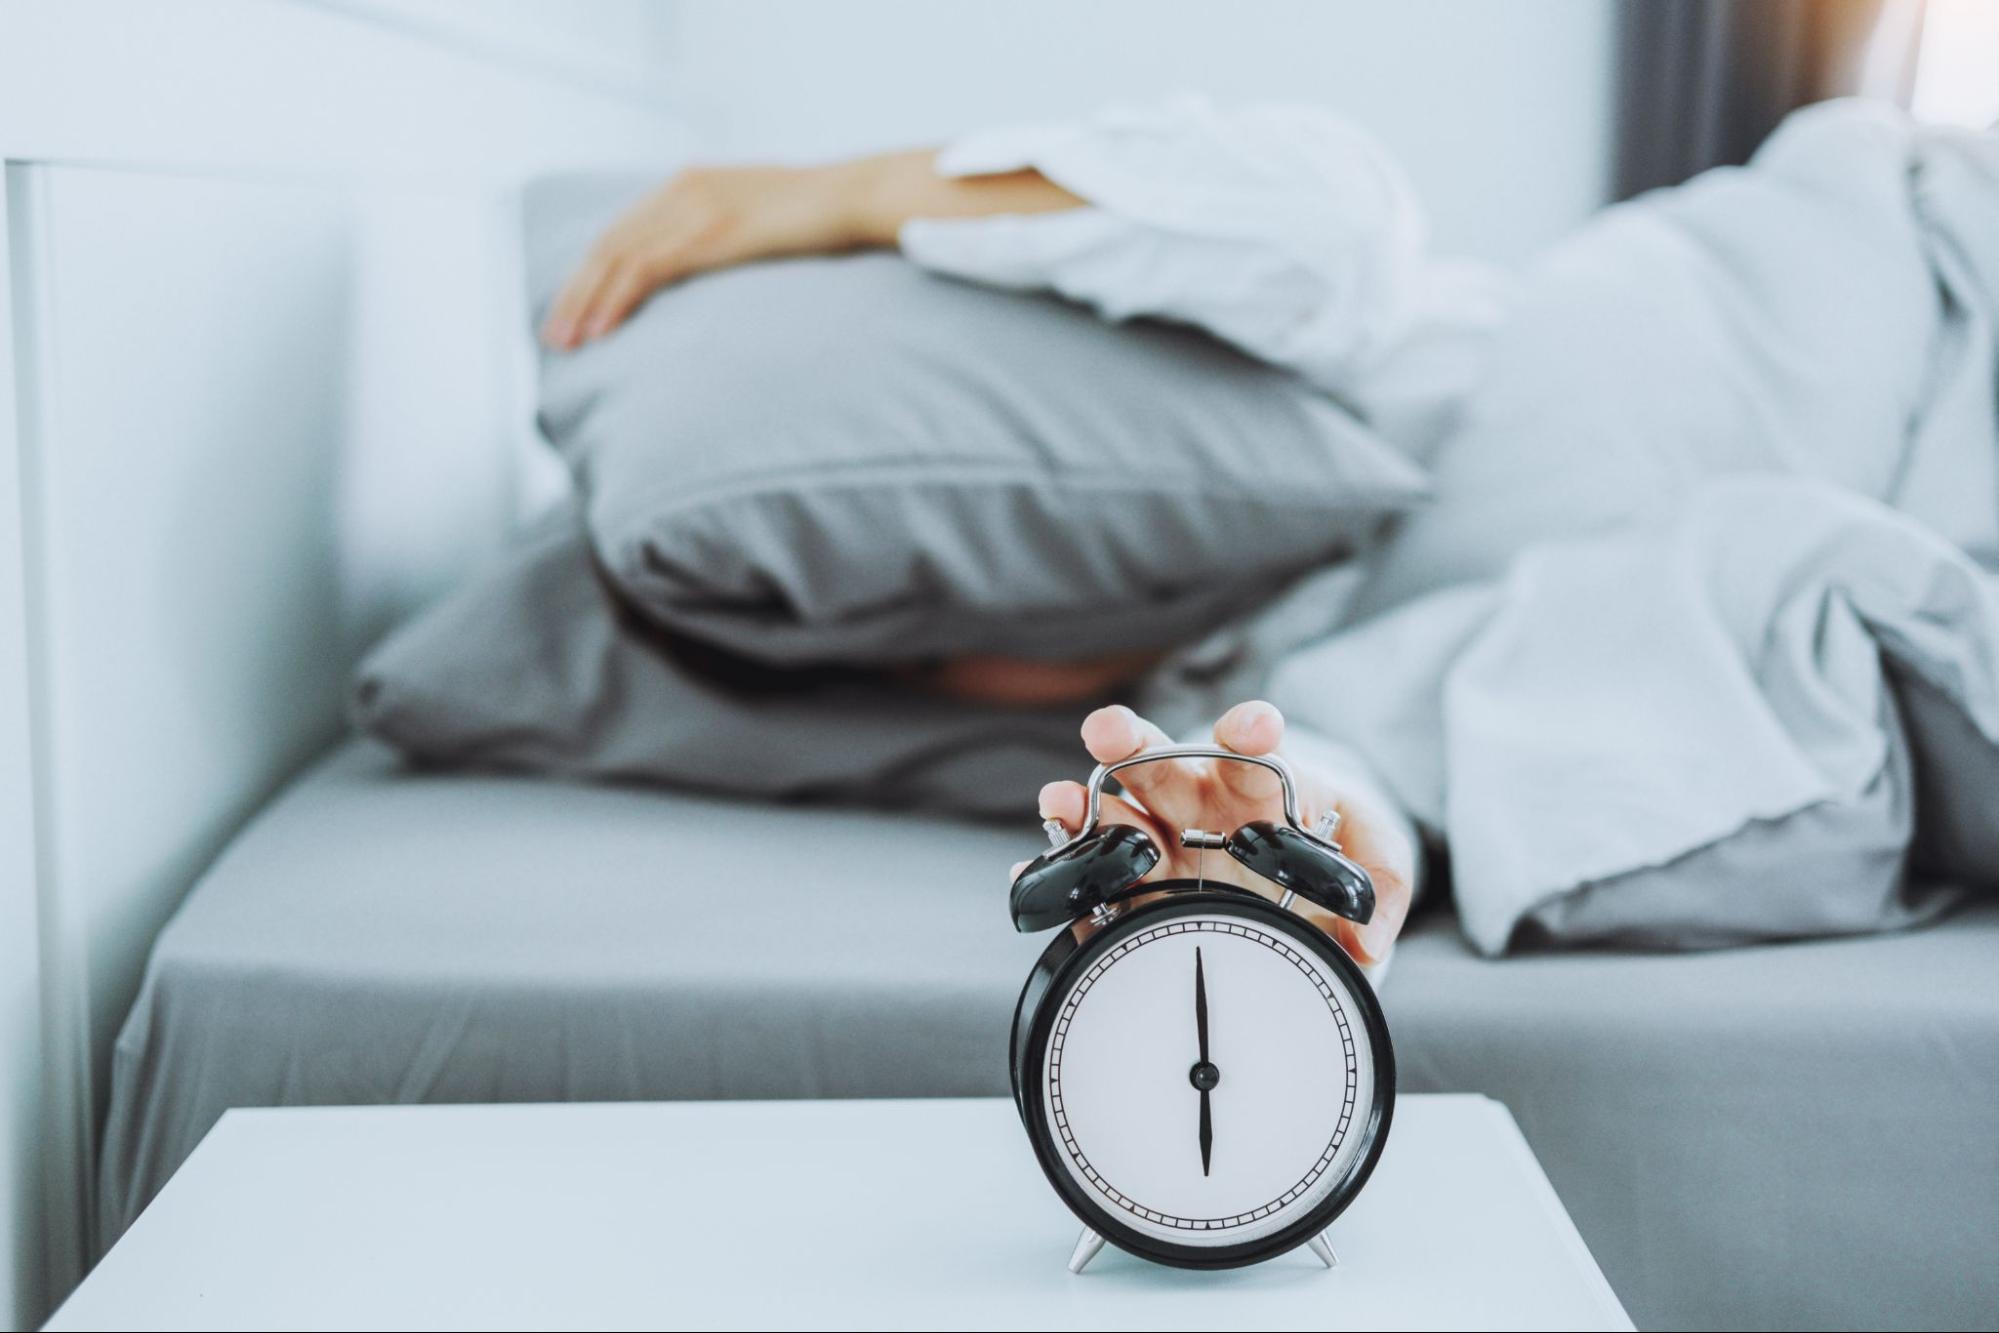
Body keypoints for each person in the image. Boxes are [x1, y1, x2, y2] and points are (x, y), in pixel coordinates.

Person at [538, 106, 1499, 969]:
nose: (977, 606)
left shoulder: (1348, 338)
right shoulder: (1209, 690)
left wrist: (850, 192)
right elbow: (1362, 761)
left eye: (922, 581)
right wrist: (1295, 838)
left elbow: (1329, 230)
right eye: (912, 656)